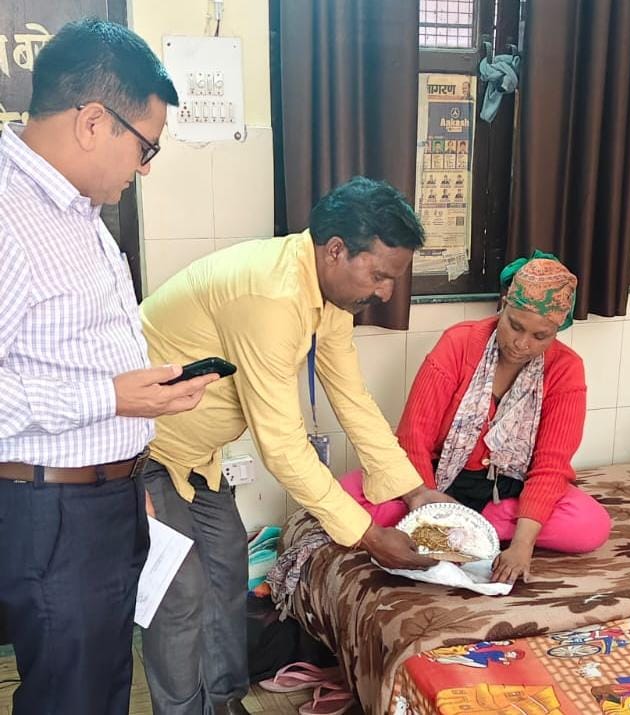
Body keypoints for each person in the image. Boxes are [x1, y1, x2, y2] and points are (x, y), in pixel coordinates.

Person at [139, 176, 451, 715]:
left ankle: (224, 702)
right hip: (146, 450)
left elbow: (351, 396)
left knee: (227, 569)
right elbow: (281, 445)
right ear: (336, 250)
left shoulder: (325, 297)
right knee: (179, 595)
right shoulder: (272, 296)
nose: (384, 293)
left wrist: (414, 490)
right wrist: (366, 534)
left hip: (198, 459)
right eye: (379, 275)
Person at [0, 19, 217, 715]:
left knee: (101, 689)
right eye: (145, 145)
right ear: (94, 121)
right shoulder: (9, 216)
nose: (145, 166)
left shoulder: (78, 211)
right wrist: (112, 399)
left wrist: (125, 475)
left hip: (104, 499)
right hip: (53, 511)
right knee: (72, 697)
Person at [341, 253, 612, 585]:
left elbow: (551, 466)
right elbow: (413, 436)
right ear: (503, 305)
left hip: (511, 491)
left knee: (591, 525)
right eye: (515, 326)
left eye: (540, 336)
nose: (521, 343)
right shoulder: (459, 343)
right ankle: (462, 524)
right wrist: (429, 512)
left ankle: (479, 526)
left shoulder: (566, 369)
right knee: (347, 494)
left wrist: (523, 545)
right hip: (439, 483)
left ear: (557, 330)